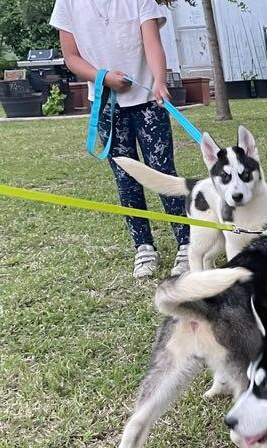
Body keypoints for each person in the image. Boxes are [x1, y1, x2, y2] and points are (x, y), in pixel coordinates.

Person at [51, 0, 190, 279]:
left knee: (163, 173)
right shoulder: (67, 4)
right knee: (125, 177)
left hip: (149, 102)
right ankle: (144, 247)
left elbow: (152, 43)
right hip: (106, 104)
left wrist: (160, 81)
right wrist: (102, 77)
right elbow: (71, 56)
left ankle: (187, 244)